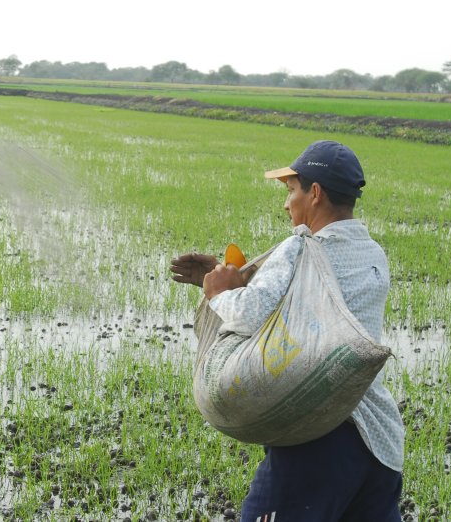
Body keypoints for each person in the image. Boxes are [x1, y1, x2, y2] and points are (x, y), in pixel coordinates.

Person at [170, 140, 404, 522]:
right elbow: (302, 308)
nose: (286, 203)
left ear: (315, 193)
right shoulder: (373, 254)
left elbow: (249, 316)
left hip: (318, 436)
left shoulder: (300, 248)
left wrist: (217, 293)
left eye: (291, 190)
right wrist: (231, 281)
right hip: (379, 442)